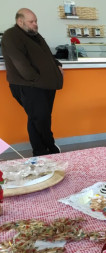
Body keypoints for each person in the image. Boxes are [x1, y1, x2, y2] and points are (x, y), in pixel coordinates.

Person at [1, 8, 63, 156]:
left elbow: (47, 55)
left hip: (44, 85)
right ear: (20, 21)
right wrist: (36, 79)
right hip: (29, 85)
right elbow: (20, 63)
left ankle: (40, 152)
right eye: (31, 21)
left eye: (36, 21)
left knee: (39, 118)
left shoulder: (34, 35)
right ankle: (50, 147)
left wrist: (57, 65)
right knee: (40, 118)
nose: (35, 24)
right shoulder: (11, 35)